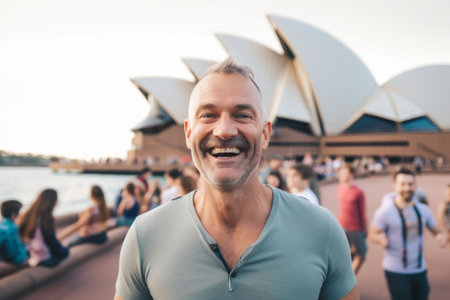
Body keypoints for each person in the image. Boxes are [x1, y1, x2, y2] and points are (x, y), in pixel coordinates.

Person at [115, 57, 358, 299]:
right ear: (188, 134)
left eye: (242, 115)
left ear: (265, 134)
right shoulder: (145, 236)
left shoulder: (321, 230)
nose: (224, 131)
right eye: (208, 115)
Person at [368, 168, 446, 300]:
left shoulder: (423, 210)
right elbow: (372, 234)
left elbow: (437, 231)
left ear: (415, 185)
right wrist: (380, 239)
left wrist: (441, 237)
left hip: (419, 269)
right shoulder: (385, 212)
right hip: (396, 270)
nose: (407, 188)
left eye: (410, 184)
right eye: (402, 184)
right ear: (394, 186)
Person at [18, 189, 69, 267]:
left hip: (31, 256)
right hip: (45, 259)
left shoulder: (27, 216)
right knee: (66, 251)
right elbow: (52, 242)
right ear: (53, 202)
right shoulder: (46, 219)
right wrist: (65, 250)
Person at [337, 164, 367, 275]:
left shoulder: (358, 192)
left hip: (356, 229)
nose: (340, 175)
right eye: (340, 172)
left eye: (344, 172)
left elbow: (362, 213)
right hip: (343, 226)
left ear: (351, 175)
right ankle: (347, 280)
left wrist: (364, 229)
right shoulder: (340, 187)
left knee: (361, 254)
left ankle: (350, 278)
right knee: (346, 254)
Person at [0, 199, 28, 265]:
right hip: (11, 264)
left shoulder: (2, 225)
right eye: (20, 211)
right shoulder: (13, 229)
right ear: (14, 214)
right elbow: (15, 256)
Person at [436, 184, 450, 249]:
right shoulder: (444, 204)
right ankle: (444, 241)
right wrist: (444, 227)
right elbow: (439, 217)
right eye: (448, 194)